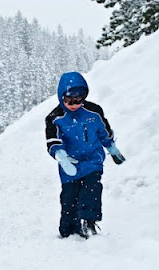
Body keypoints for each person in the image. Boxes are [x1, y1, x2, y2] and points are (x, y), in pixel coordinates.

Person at [45, 72, 126, 239]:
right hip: (70, 163)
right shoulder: (55, 118)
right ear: (61, 97)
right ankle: (69, 229)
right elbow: (53, 141)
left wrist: (112, 149)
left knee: (92, 190)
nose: (74, 104)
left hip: (92, 160)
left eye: (79, 100)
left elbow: (104, 132)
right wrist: (62, 157)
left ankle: (89, 222)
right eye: (69, 101)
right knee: (69, 198)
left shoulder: (94, 112)